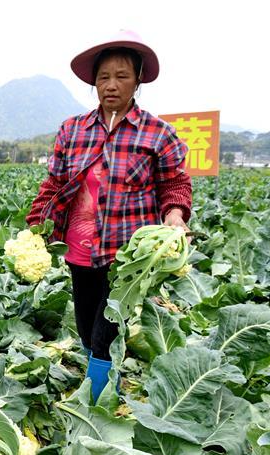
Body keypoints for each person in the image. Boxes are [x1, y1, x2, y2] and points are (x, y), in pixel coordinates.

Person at [27, 31, 192, 403]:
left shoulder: (158, 134)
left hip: (128, 257)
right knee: (86, 325)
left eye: (121, 76)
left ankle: (99, 398)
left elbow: (175, 184)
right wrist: (36, 222)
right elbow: (54, 181)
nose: (112, 85)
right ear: (93, 82)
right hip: (79, 249)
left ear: (138, 81)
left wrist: (176, 215)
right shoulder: (73, 130)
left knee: (107, 328)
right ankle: (97, 378)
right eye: (104, 77)